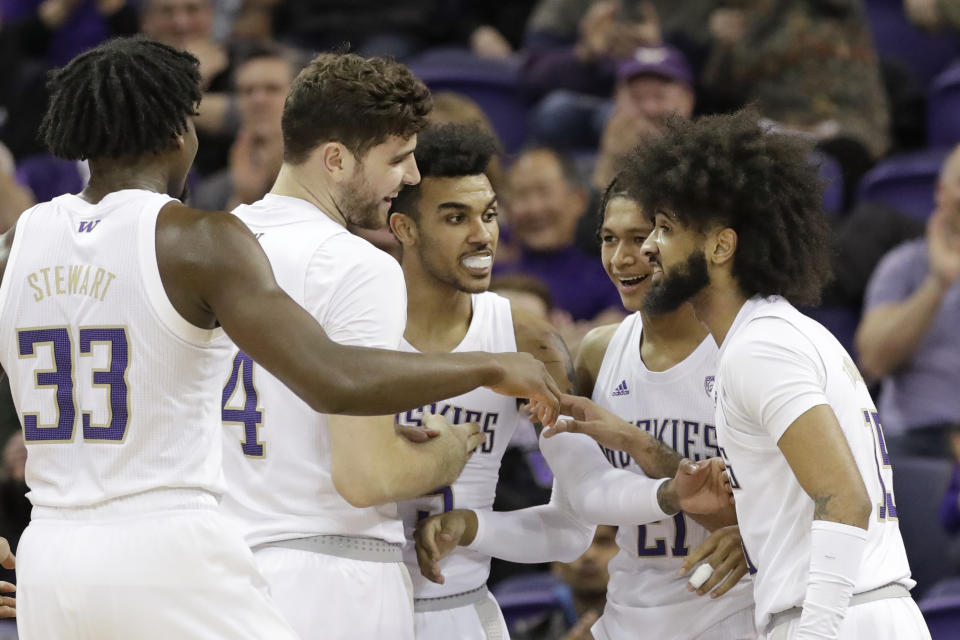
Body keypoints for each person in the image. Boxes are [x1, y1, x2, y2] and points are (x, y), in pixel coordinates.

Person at [0, 36, 559, 639]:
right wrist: (483, 372)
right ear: (177, 133)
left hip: (50, 554)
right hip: (169, 546)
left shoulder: (17, 245)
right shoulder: (199, 239)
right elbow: (336, 378)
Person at [218, 55, 510, 640]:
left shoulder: (217, 240)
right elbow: (366, 476)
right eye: (397, 159)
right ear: (336, 160)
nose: (410, 177)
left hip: (226, 573)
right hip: (332, 576)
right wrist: (451, 448)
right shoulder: (358, 265)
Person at [617, 110, 929, 638]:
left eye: (666, 229)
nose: (647, 246)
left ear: (721, 246)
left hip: (837, 617)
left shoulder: (760, 348)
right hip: (861, 610)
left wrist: (816, 630)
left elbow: (845, 498)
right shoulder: (777, 334)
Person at [498, 176, 757, 639]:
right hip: (628, 620)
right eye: (609, 239)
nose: (622, 258)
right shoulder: (598, 353)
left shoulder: (747, 349)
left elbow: (813, 500)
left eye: (639, 238)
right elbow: (571, 515)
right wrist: (469, 526)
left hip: (736, 618)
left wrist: (754, 532)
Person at [387, 121, 594, 639]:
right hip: (353, 603)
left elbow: (573, 531)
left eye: (490, 215)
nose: (482, 235)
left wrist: (474, 527)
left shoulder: (528, 341)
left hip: (459, 612)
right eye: (456, 217)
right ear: (404, 229)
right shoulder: (355, 326)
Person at [855, 144, 960, 459]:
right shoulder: (904, 264)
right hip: (916, 442)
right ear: (941, 192)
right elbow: (873, 360)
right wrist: (939, 282)